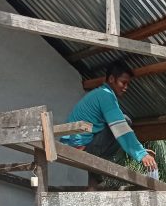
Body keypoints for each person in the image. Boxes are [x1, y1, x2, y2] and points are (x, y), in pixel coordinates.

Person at [61, 60, 157, 188]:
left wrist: (140, 150)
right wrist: (141, 154)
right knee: (125, 121)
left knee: (122, 121)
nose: (126, 87)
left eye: (128, 83)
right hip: (79, 147)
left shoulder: (100, 93)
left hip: (78, 144)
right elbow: (121, 129)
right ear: (111, 78)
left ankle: (94, 183)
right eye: (123, 82)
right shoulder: (106, 96)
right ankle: (95, 178)